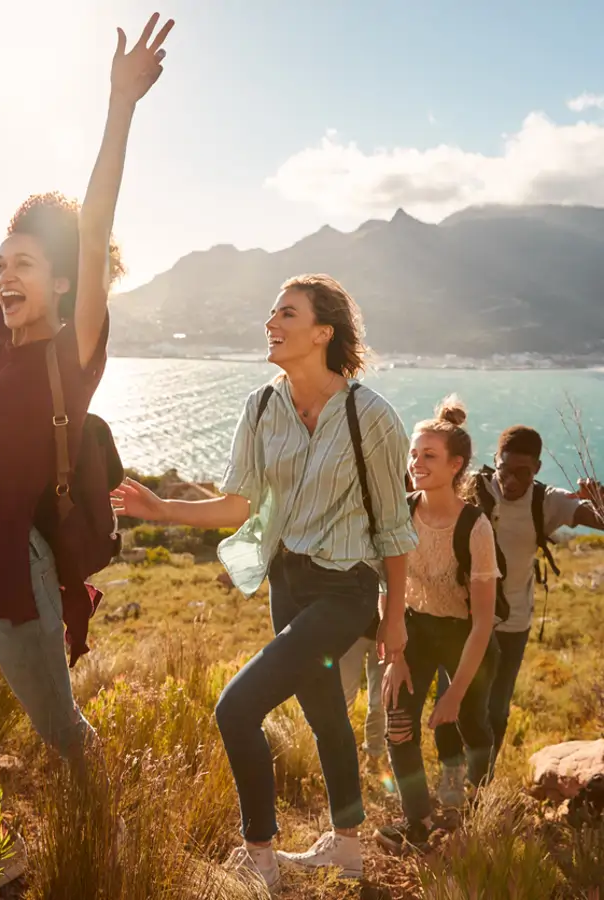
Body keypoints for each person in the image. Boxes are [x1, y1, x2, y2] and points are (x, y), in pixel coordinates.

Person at [0, 14, 174, 891]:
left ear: (58, 280)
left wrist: (119, 106)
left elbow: (96, 229)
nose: (4, 275)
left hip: (15, 575)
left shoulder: (71, 353)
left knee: (62, 734)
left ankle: (114, 853)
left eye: (24, 264)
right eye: (2, 267)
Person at [111, 274, 417, 889]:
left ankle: (261, 854)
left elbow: (392, 528)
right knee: (326, 714)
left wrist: (394, 617)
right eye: (271, 313)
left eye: (286, 313)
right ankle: (348, 847)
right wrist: (165, 509)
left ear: (322, 332)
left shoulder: (370, 416)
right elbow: (240, 505)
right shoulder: (261, 406)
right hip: (288, 582)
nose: (271, 324)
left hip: (345, 589)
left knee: (236, 707)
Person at [433, 426, 604, 805]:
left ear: (537, 468)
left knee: (496, 710)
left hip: (511, 624)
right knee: (450, 699)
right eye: (505, 470)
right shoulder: (473, 488)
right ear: (496, 461)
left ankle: (481, 788)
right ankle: (451, 776)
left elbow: (599, 519)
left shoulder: (547, 501)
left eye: (523, 473)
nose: (511, 481)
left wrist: (598, 497)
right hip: (460, 619)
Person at [375, 397, 500, 855]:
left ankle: (479, 811)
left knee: (470, 722)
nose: (416, 463)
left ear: (456, 465)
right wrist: (396, 656)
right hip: (412, 631)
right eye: (414, 454)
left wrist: (454, 691)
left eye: (429, 456)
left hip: (466, 637)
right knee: (399, 724)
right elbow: (388, 587)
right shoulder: (401, 513)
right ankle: (419, 822)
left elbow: (484, 621)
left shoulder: (476, 527)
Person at [339, 635, 386, 762]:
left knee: (380, 702)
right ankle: (337, 756)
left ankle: (373, 758)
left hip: (386, 633)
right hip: (353, 630)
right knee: (343, 700)